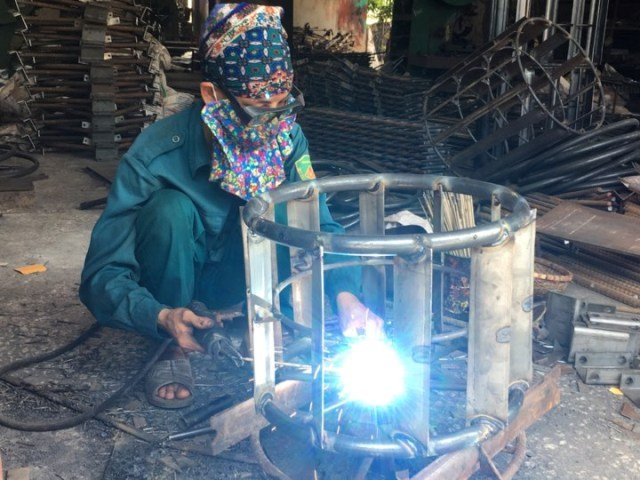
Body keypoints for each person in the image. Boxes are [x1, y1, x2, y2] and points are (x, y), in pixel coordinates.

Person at [79, 3, 383, 409]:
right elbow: (102, 274)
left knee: (285, 207)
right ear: (213, 95)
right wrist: (157, 314)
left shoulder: (288, 141)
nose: (274, 125)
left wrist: (347, 296)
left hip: (249, 285)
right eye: (258, 109)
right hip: (175, 287)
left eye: (283, 105)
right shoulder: (155, 154)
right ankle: (171, 345)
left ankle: (268, 325)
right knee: (170, 210)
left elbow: (320, 226)